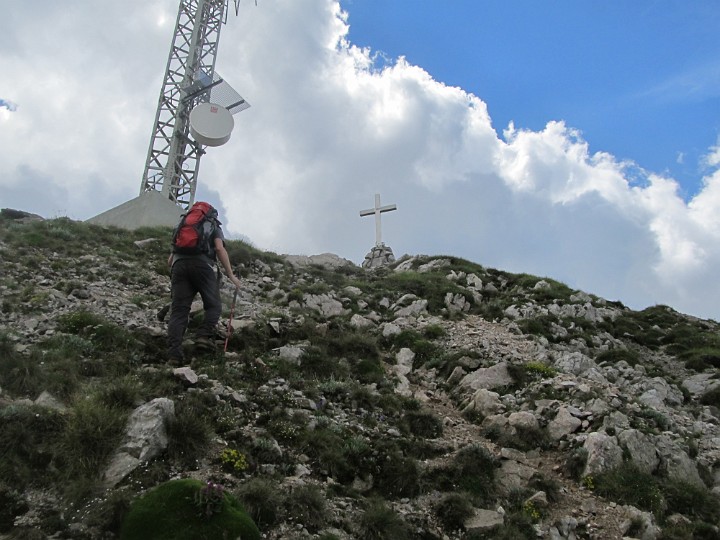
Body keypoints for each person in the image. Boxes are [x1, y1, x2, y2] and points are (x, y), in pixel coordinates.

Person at [166, 204, 242, 365]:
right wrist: (231, 275)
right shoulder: (212, 224)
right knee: (213, 305)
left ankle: (174, 354)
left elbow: (169, 260)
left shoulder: (182, 225)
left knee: (179, 311)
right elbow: (220, 249)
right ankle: (203, 335)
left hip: (179, 266)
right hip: (202, 266)